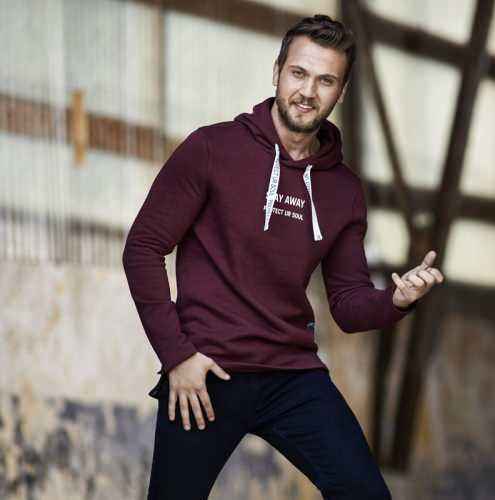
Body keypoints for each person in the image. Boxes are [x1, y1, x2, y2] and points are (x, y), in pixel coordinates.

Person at [122, 13, 444, 500]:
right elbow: (143, 248)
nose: (308, 91)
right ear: (276, 72)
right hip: (207, 371)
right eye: (298, 73)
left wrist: (396, 301)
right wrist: (177, 355)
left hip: (292, 376)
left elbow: (348, 305)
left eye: (325, 80)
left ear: (341, 92)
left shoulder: (343, 190)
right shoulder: (212, 148)